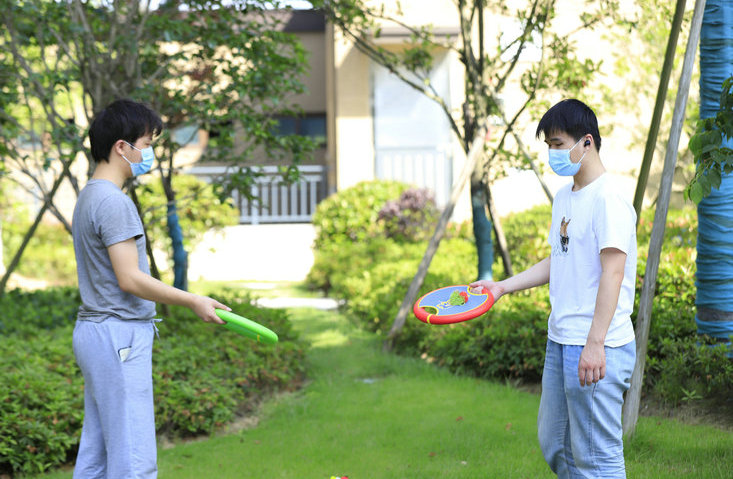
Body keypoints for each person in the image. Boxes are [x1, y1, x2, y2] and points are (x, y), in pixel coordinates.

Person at [471, 99, 637, 478]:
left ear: (587, 143)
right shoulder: (565, 197)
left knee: (598, 457)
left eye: (559, 144)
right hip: (560, 339)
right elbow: (558, 260)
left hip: (597, 344)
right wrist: (500, 288)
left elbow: (613, 273)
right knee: (556, 445)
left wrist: (595, 343)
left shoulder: (608, 199)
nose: (553, 154)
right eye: (549, 146)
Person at [72, 98, 230, 478]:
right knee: (134, 456)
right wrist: (193, 300)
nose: (150, 152)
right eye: (145, 143)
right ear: (121, 147)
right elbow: (130, 278)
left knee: (98, 454)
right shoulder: (113, 203)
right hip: (119, 337)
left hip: (97, 333)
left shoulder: (89, 196)